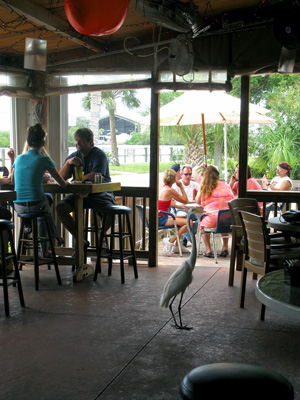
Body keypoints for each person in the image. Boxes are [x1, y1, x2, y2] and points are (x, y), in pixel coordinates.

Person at [12, 123, 67, 258]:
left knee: (44, 207)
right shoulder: (44, 159)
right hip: (36, 205)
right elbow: (62, 184)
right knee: (46, 203)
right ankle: (48, 245)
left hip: (18, 207)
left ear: (28, 142)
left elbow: (13, 180)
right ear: (43, 141)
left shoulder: (18, 158)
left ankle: (51, 240)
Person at [56, 127, 116, 247]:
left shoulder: (99, 155)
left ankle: (102, 235)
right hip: (79, 195)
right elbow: (60, 177)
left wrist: (78, 180)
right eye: (76, 140)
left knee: (110, 211)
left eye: (81, 141)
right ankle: (80, 239)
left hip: (100, 193)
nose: (77, 143)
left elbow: (96, 175)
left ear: (90, 142)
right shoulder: (74, 156)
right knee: (60, 208)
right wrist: (68, 163)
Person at [195, 165, 234, 258]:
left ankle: (208, 250)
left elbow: (197, 201)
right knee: (222, 218)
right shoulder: (225, 186)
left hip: (212, 220)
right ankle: (225, 248)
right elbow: (232, 198)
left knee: (203, 226)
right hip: (228, 219)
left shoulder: (204, 187)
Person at [159, 169, 191, 255]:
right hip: (161, 219)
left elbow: (168, 203)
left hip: (159, 216)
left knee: (184, 218)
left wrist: (182, 207)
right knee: (189, 223)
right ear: (174, 179)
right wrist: (181, 186)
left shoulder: (163, 187)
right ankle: (170, 241)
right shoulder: (170, 191)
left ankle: (177, 245)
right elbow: (185, 200)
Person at [172, 165, 200, 247]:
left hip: (194, 209)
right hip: (180, 209)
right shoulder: (176, 185)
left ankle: (185, 237)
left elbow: (200, 198)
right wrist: (184, 206)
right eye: (186, 174)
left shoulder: (195, 185)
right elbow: (173, 202)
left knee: (200, 218)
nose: (188, 176)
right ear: (181, 174)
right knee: (185, 218)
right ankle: (191, 238)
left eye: (190, 174)